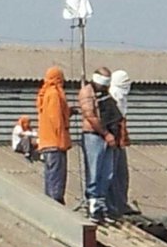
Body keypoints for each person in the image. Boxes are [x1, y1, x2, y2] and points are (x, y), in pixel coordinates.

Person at [79, 67, 117, 223]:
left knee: (107, 172)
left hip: (108, 135)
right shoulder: (87, 92)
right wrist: (105, 133)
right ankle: (93, 206)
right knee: (94, 171)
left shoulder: (105, 93)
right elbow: (90, 115)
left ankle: (102, 206)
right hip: (93, 135)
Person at [36, 66, 72, 204]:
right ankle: (56, 205)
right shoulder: (54, 94)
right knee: (57, 178)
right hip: (55, 142)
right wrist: (64, 127)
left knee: (50, 176)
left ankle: (50, 204)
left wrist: (68, 112)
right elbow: (55, 118)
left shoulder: (45, 93)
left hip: (46, 142)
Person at [106, 70, 137, 218]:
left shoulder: (122, 97)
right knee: (113, 174)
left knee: (122, 174)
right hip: (112, 140)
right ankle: (113, 205)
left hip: (120, 140)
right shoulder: (112, 95)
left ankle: (121, 203)